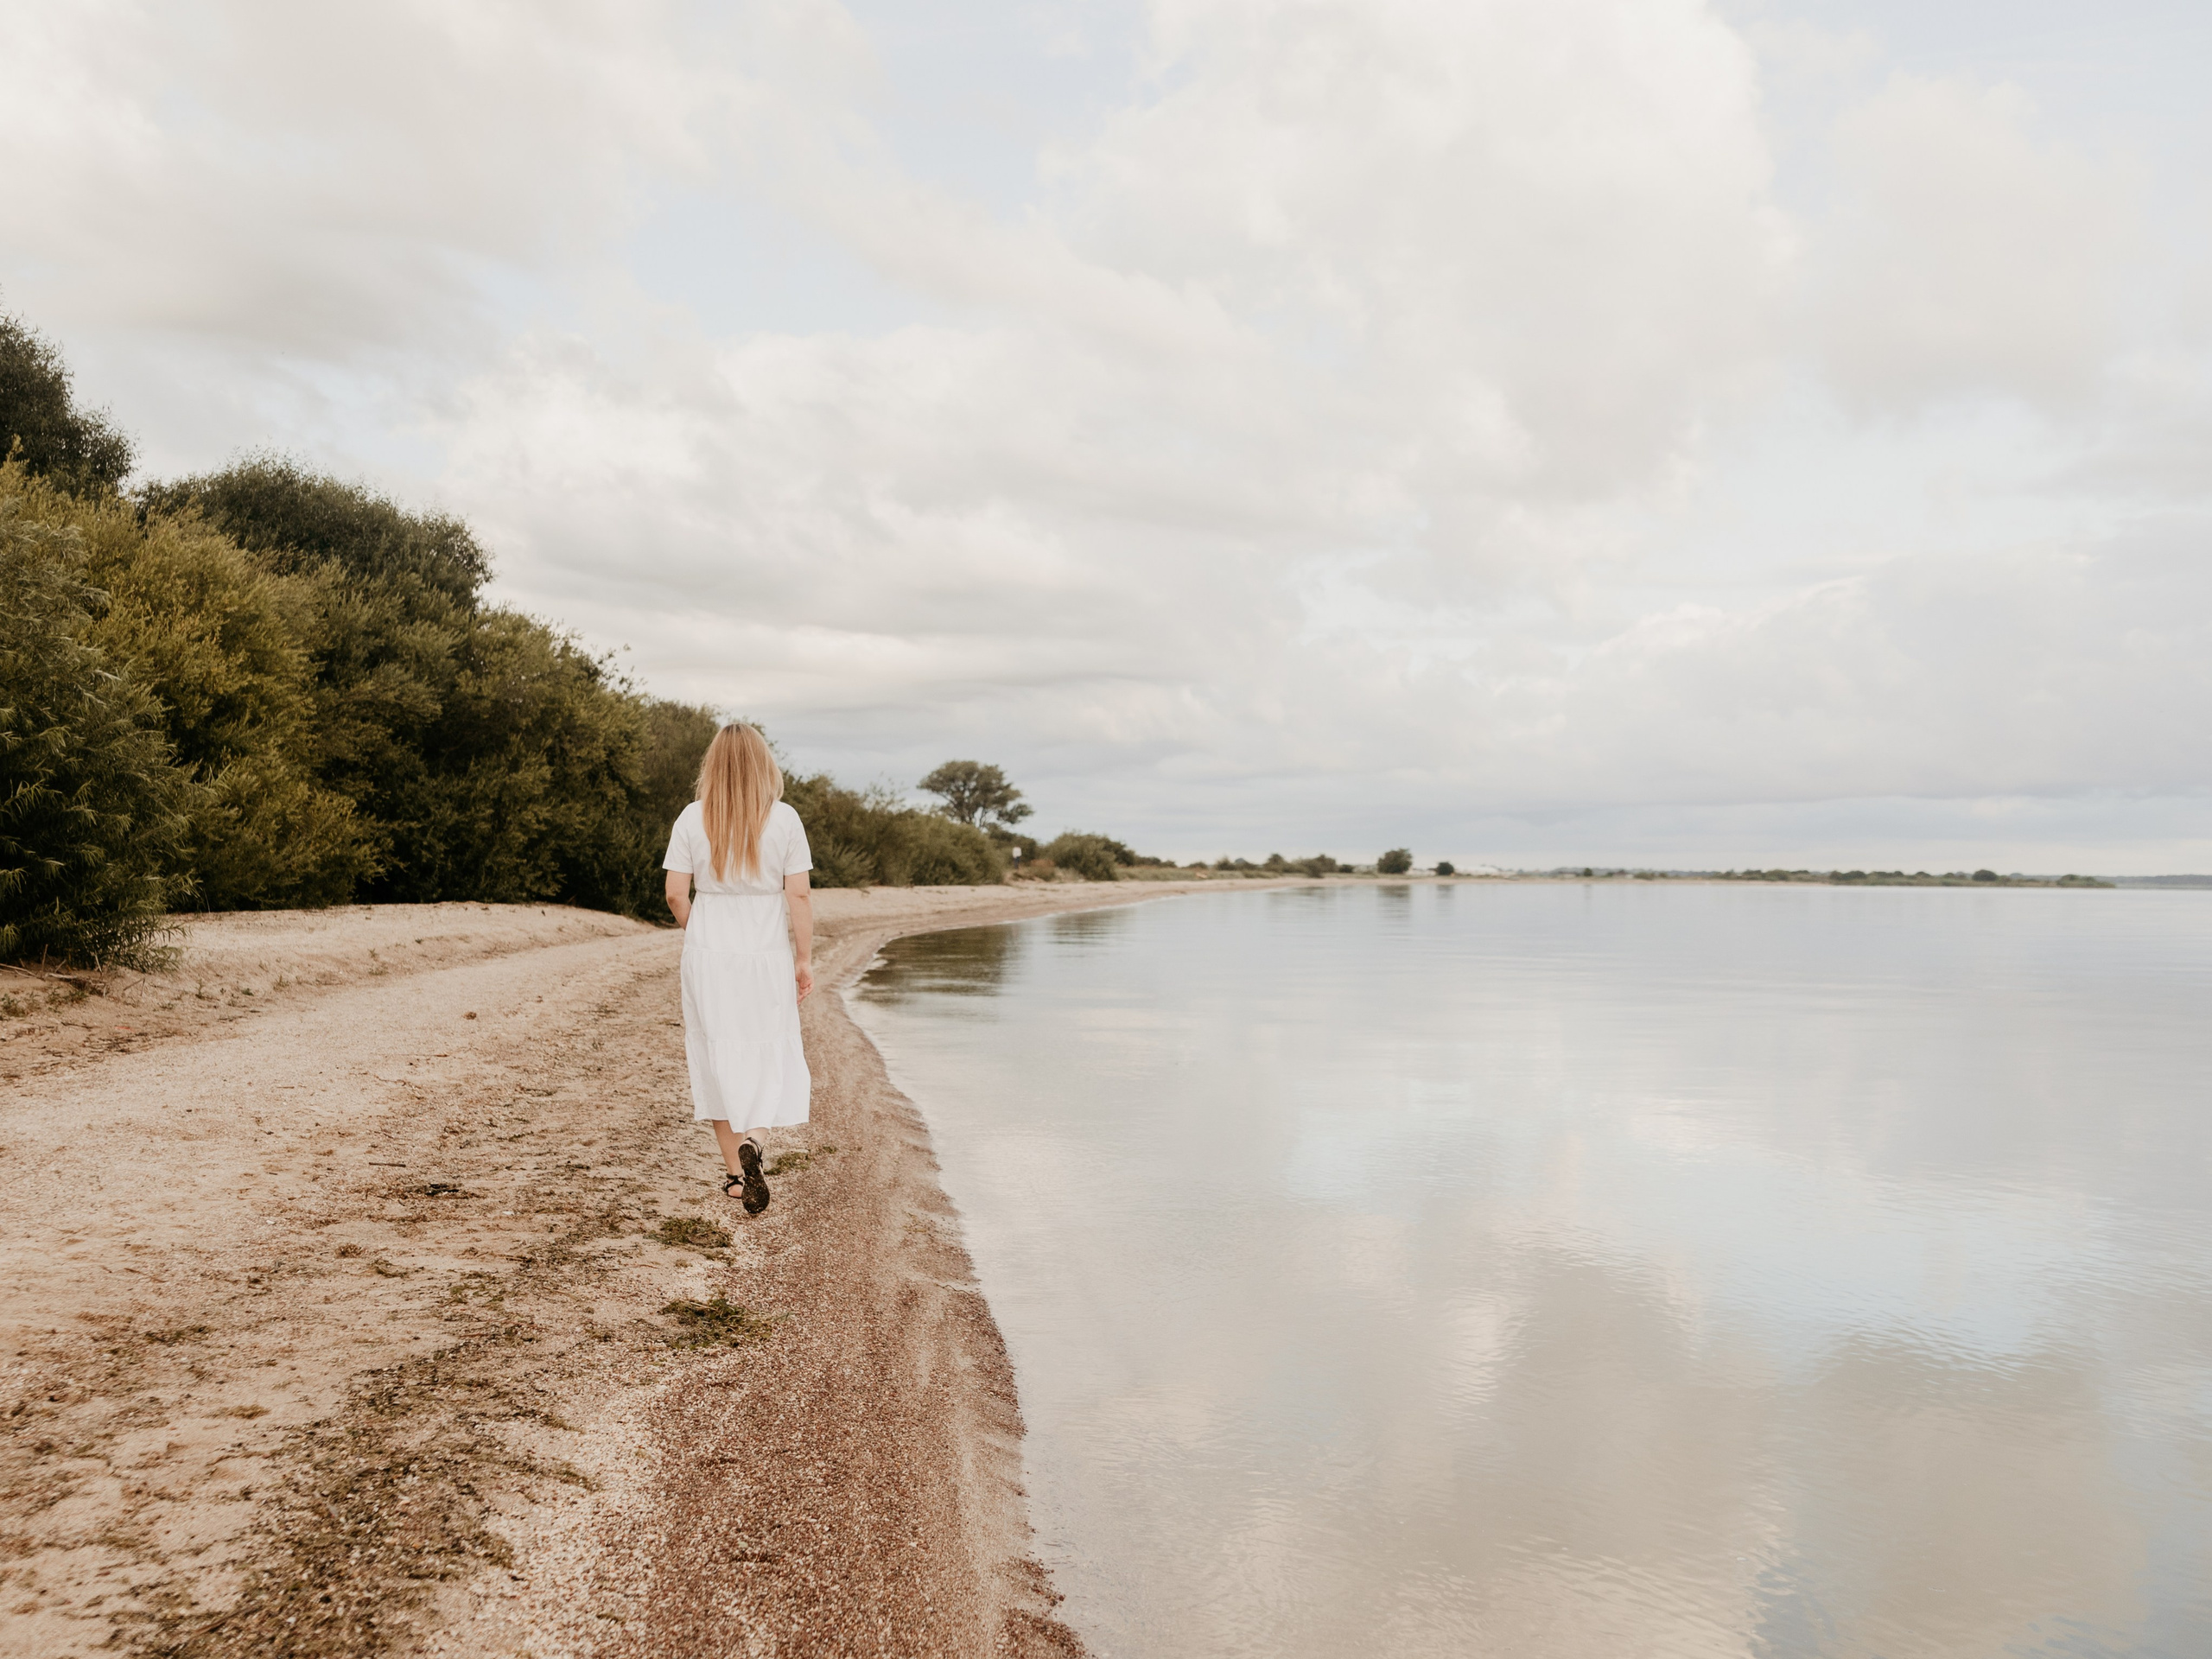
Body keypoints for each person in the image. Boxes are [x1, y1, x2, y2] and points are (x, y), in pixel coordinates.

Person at [662, 723, 815, 1214]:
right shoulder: (785, 819)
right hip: (765, 952)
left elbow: (673, 893)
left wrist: (698, 931)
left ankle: (734, 1175)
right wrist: (804, 959)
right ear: (763, 765)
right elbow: (799, 894)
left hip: (707, 953)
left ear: (713, 766)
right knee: (770, 1048)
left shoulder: (691, 817)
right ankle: (756, 1137)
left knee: (716, 1053)